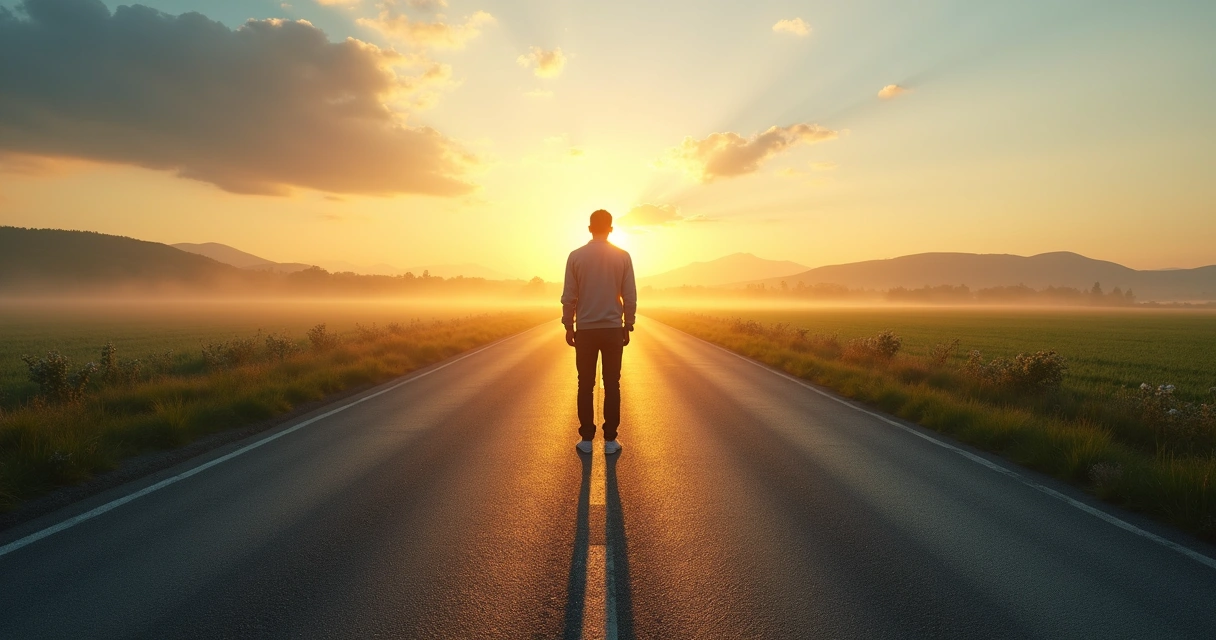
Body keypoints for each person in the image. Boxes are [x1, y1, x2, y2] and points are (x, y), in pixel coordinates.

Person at [561, 209, 637, 455]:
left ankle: (585, 438)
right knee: (612, 384)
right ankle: (610, 440)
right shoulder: (623, 256)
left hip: (585, 330)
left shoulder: (575, 256)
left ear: (589, 228)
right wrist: (628, 323)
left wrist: (568, 325)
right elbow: (630, 295)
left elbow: (569, 296)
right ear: (611, 228)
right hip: (613, 328)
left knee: (585, 384)